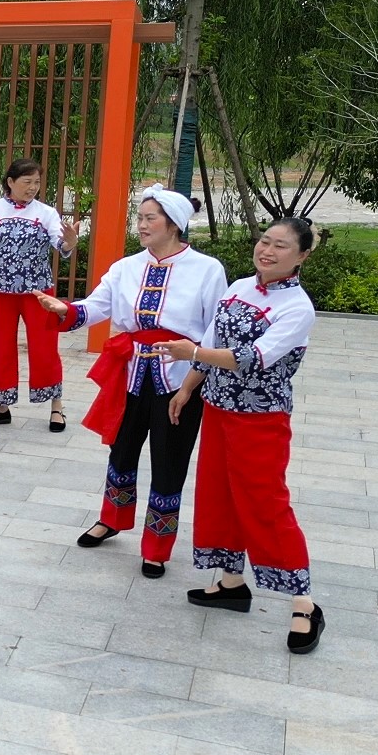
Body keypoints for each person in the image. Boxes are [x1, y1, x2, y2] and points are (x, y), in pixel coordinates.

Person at [32, 185, 227, 579]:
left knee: (169, 460)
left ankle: (157, 545)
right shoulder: (125, 267)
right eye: (139, 217)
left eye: (150, 218)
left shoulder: (207, 270)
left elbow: (214, 335)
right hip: (131, 373)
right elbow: (95, 305)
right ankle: (113, 518)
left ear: (174, 224)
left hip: (179, 378)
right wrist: (65, 309)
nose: (141, 224)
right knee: (121, 450)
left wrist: (192, 383)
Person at [157, 218, 324, 652]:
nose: (267, 250)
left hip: (261, 420)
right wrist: (189, 385)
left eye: (281, 246)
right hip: (217, 409)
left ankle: (304, 603)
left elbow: (254, 358)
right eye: (265, 241)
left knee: (265, 503)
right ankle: (231, 582)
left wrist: (191, 352)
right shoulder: (237, 288)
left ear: (303, 255)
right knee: (219, 494)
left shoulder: (298, 308)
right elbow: (213, 340)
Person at [0, 157, 80, 430]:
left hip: (38, 294)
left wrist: (70, 241)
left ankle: (56, 406)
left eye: (37, 183)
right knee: (0, 346)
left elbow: (60, 244)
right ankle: (2, 406)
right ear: (10, 182)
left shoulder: (46, 213)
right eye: (27, 182)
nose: (32, 188)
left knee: (45, 346)